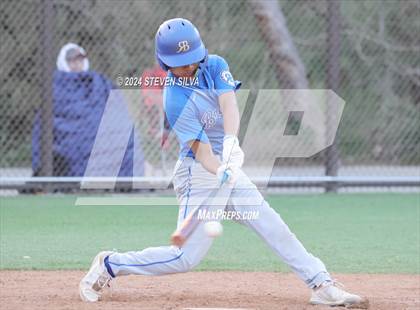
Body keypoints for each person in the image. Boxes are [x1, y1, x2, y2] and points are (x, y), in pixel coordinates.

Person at [79, 19, 368, 308]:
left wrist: (231, 142)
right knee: (183, 258)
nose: (190, 67)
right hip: (198, 174)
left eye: (193, 60)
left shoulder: (214, 64)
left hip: (227, 167)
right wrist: (220, 168)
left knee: (272, 224)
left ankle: (320, 283)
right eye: (181, 64)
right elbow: (202, 153)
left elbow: (229, 104)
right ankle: (109, 264)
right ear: (165, 63)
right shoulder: (175, 99)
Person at [32, 43, 143, 178]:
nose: (77, 64)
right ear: (63, 62)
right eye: (72, 60)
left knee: (126, 138)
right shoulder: (55, 84)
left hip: (102, 135)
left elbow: (116, 107)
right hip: (70, 139)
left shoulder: (98, 81)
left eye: (80, 60)